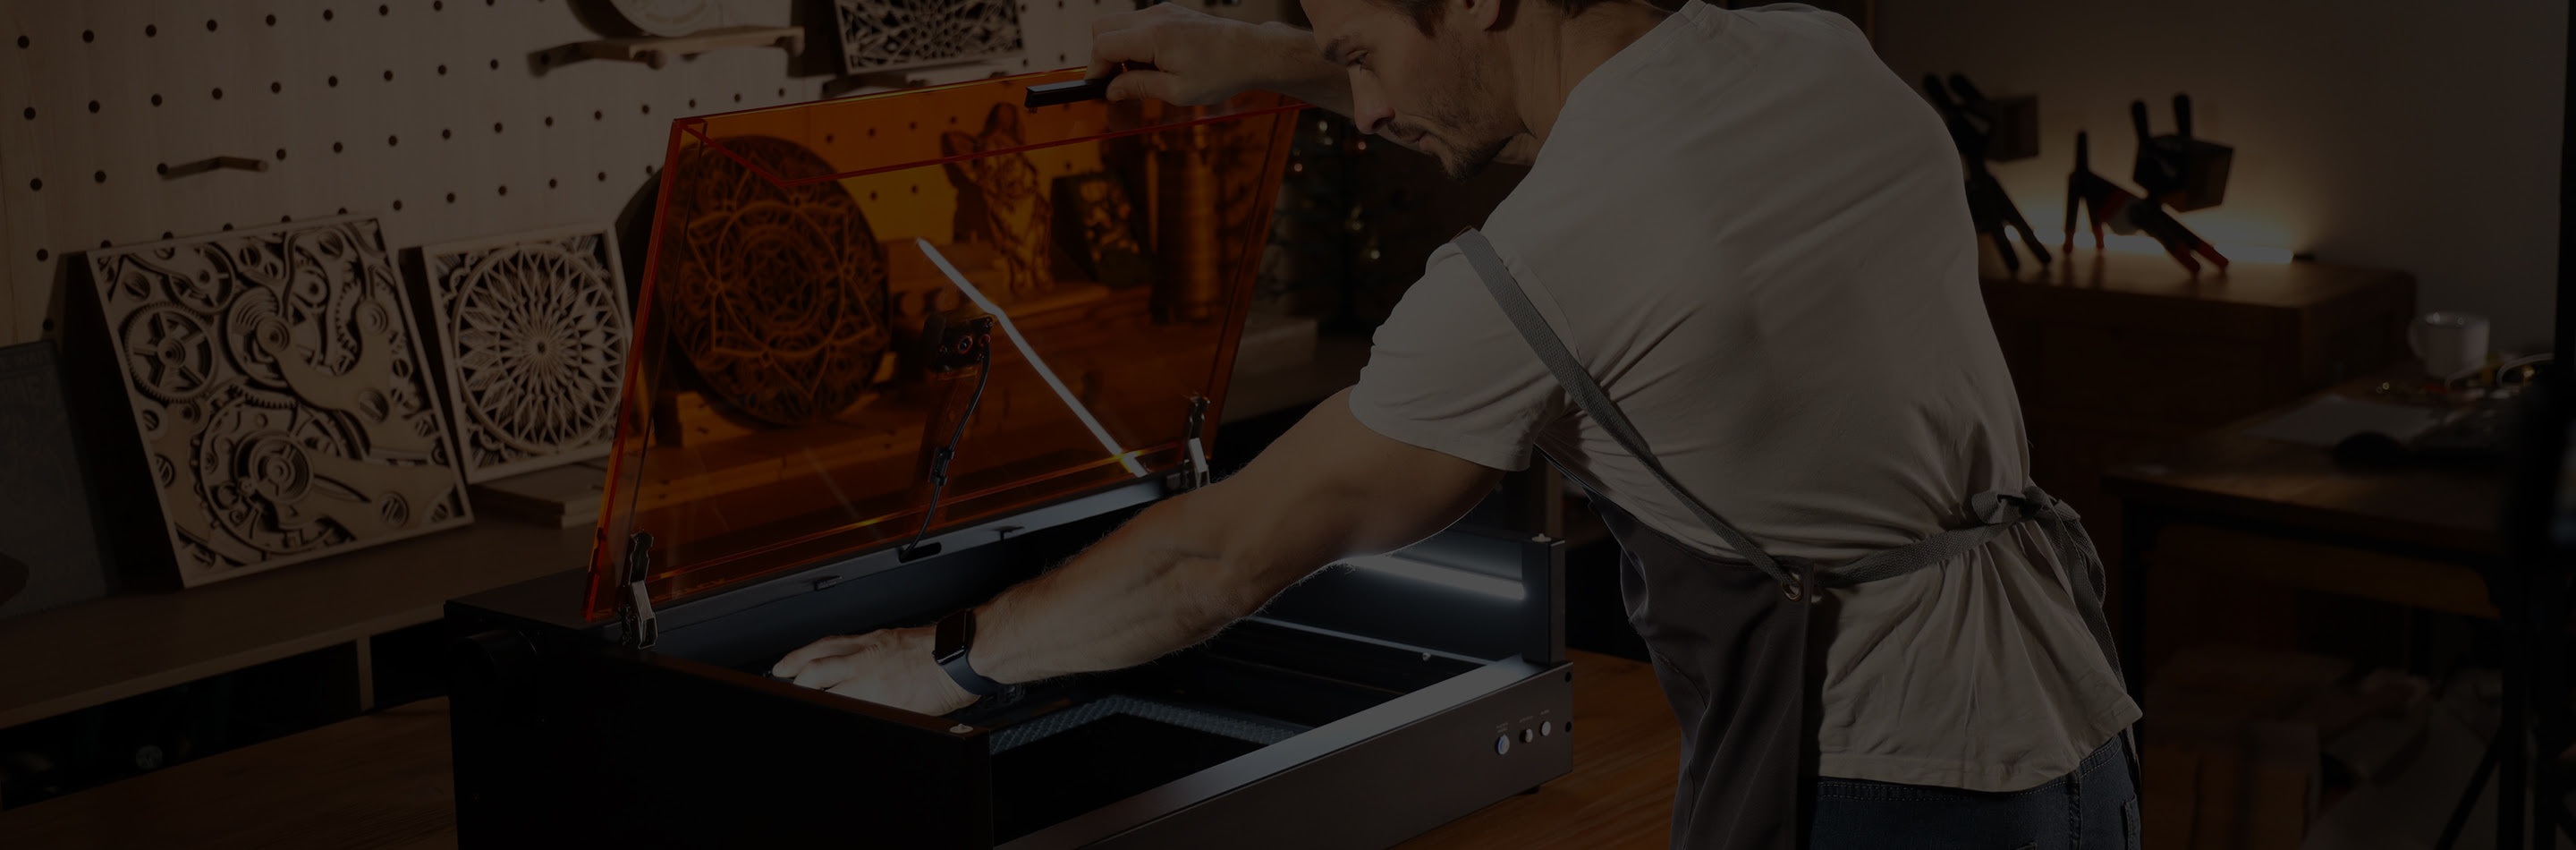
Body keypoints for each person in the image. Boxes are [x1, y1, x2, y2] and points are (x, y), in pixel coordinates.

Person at [771, 0, 2142, 846]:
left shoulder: (1539, 267)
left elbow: (1217, 560)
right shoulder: (1816, 57)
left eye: (1364, 53)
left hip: (1887, 791)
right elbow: (1584, 132)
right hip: (2071, 737)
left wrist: (938, 661)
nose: (1359, 104)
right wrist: (1260, 61)